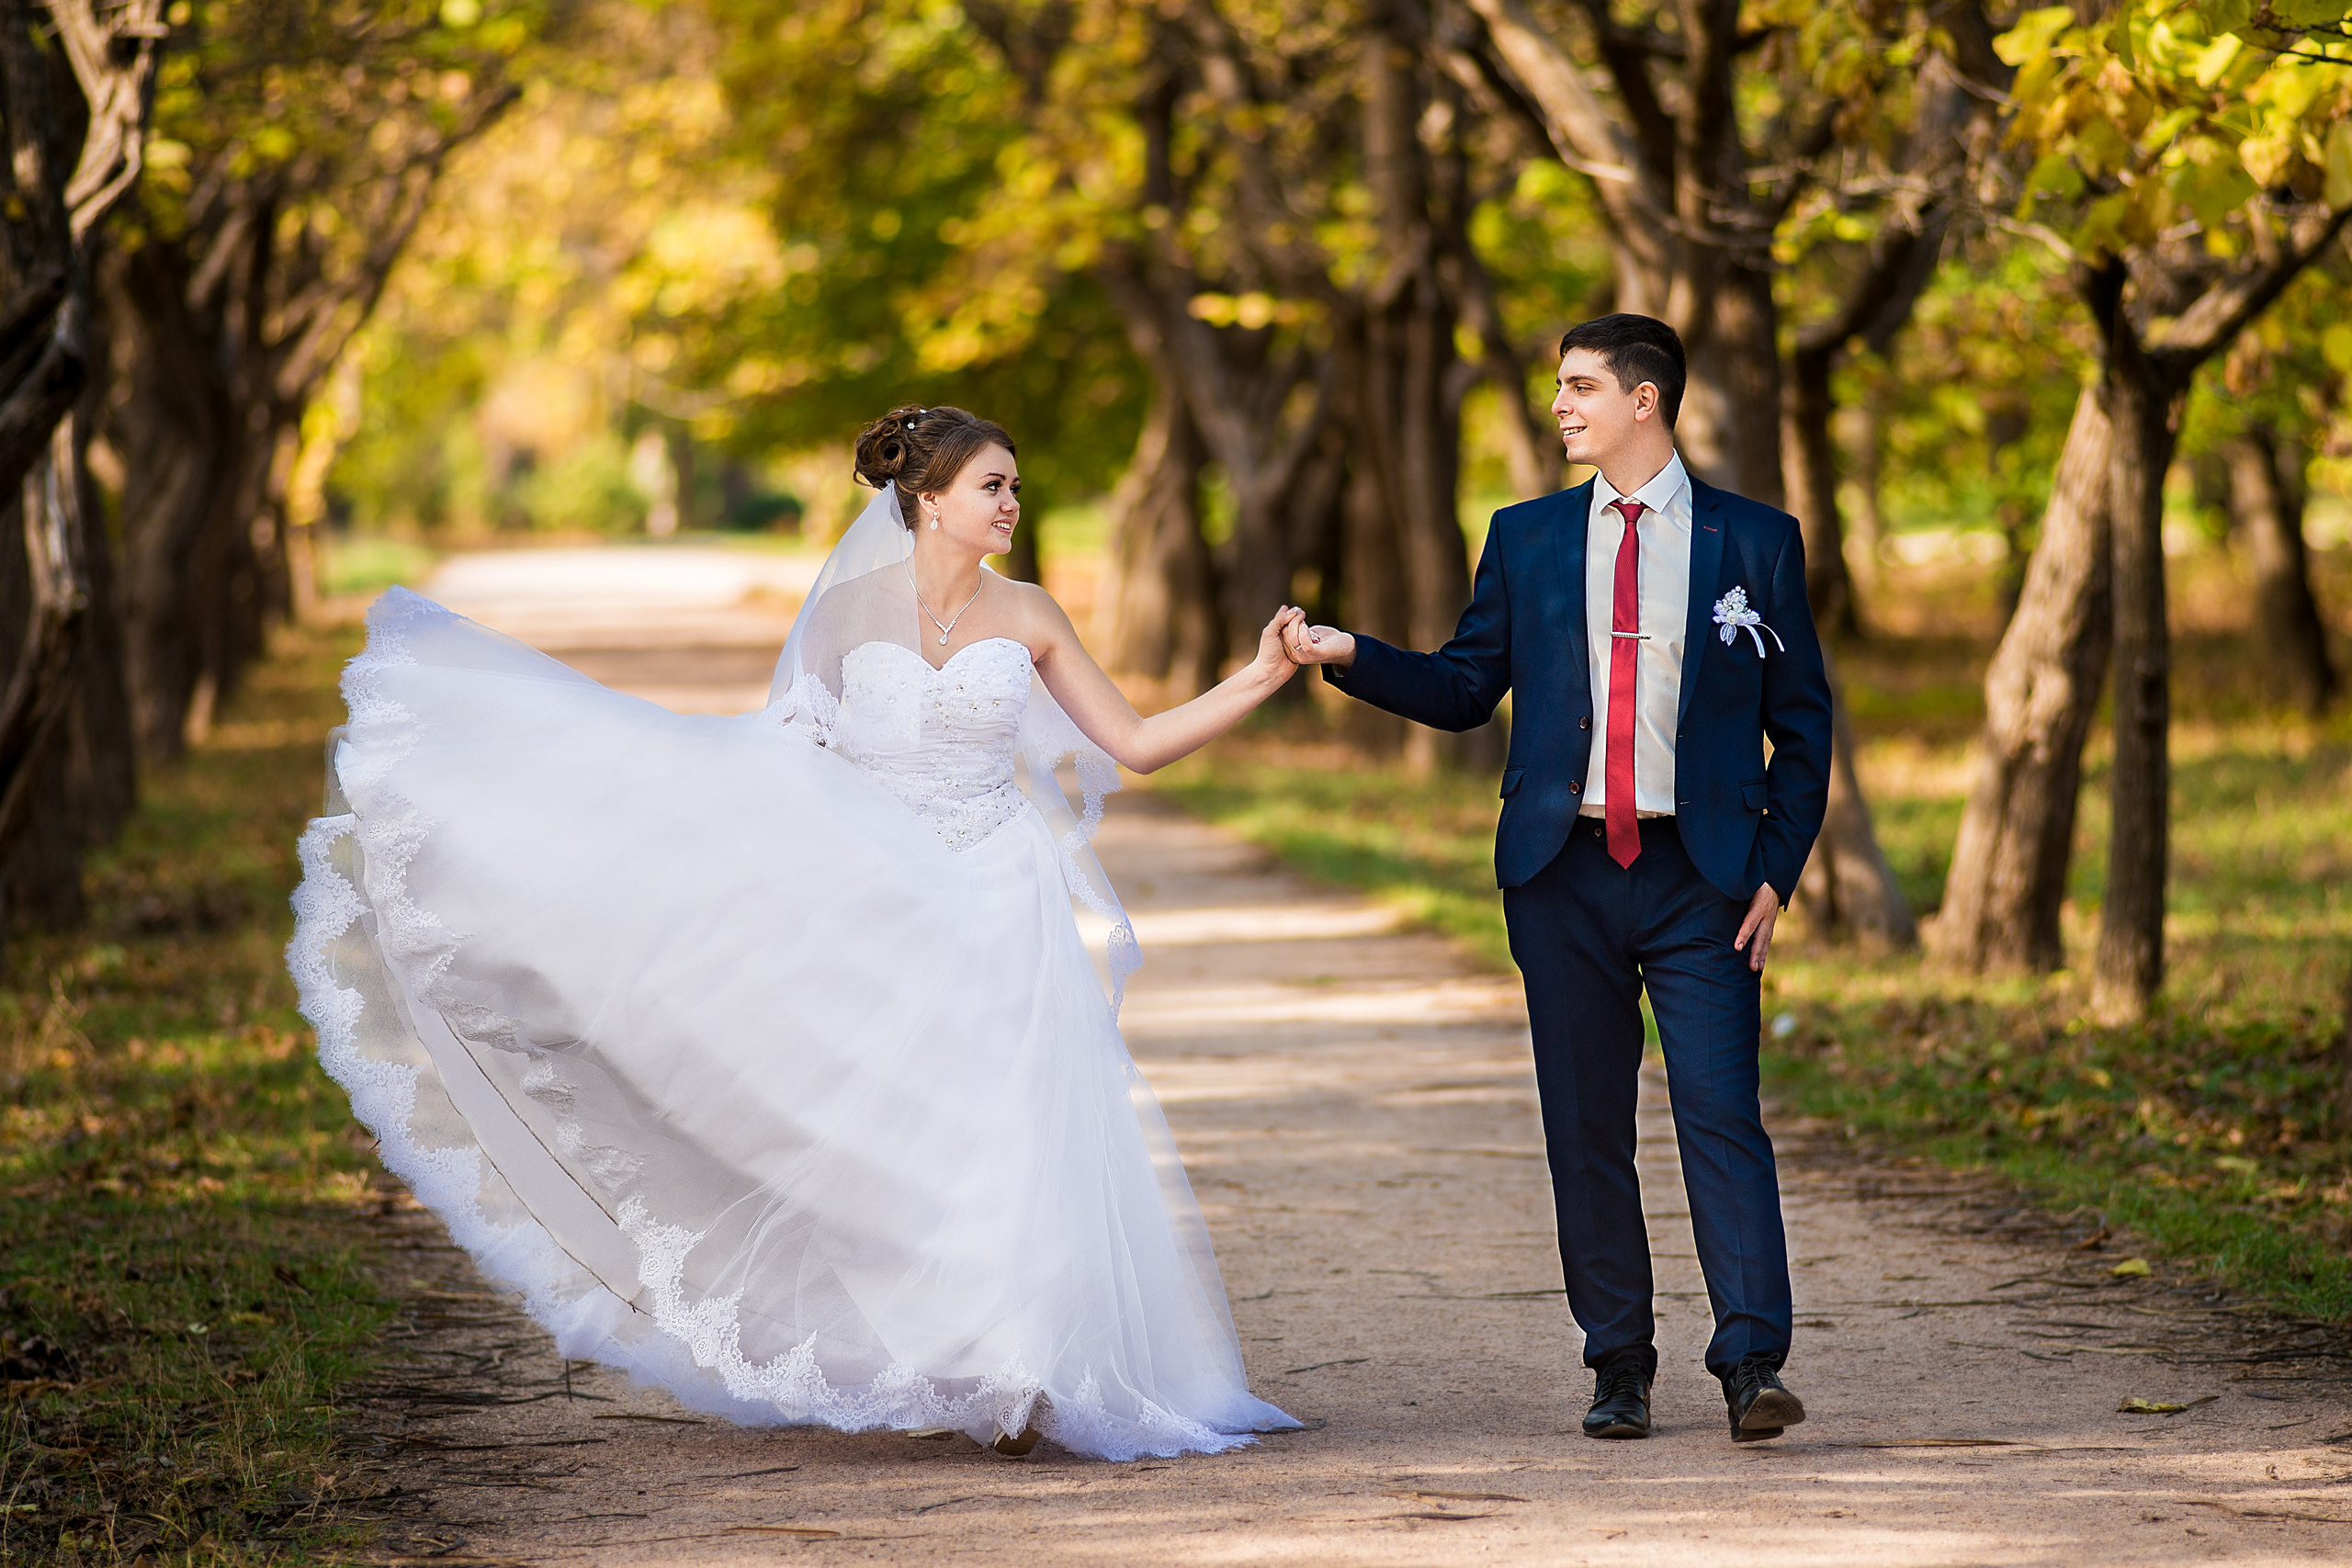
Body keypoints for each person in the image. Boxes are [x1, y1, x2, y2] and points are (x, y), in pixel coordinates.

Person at [288, 404, 1309, 1461]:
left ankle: (1030, 1363)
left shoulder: (1034, 613)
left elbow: (1137, 743)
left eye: (1013, 485)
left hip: (1002, 891)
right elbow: (782, 767)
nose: (1012, 503)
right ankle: (953, 1343)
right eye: (992, 486)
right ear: (927, 498)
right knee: (894, 1128)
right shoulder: (843, 614)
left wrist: (1262, 673)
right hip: (877, 897)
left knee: (1013, 1118)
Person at [1283, 314, 1833, 1443]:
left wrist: (1777, 869)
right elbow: (1462, 687)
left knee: (1720, 1114)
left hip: (1705, 879)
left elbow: (1804, 726)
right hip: (1559, 871)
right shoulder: (1526, 537)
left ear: (1647, 400)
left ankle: (1749, 1365)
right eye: (1557, 387)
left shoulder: (1754, 541)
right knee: (1583, 1125)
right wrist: (1351, 657)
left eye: (1579, 387)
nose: (1558, 406)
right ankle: (1617, 1364)